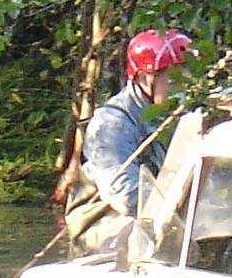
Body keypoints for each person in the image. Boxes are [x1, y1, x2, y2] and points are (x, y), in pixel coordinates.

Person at [69, 29, 193, 251]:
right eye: (175, 80)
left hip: (162, 214)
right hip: (104, 223)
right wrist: (180, 206)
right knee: (159, 240)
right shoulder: (111, 124)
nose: (185, 89)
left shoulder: (181, 115)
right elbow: (124, 195)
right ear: (145, 78)